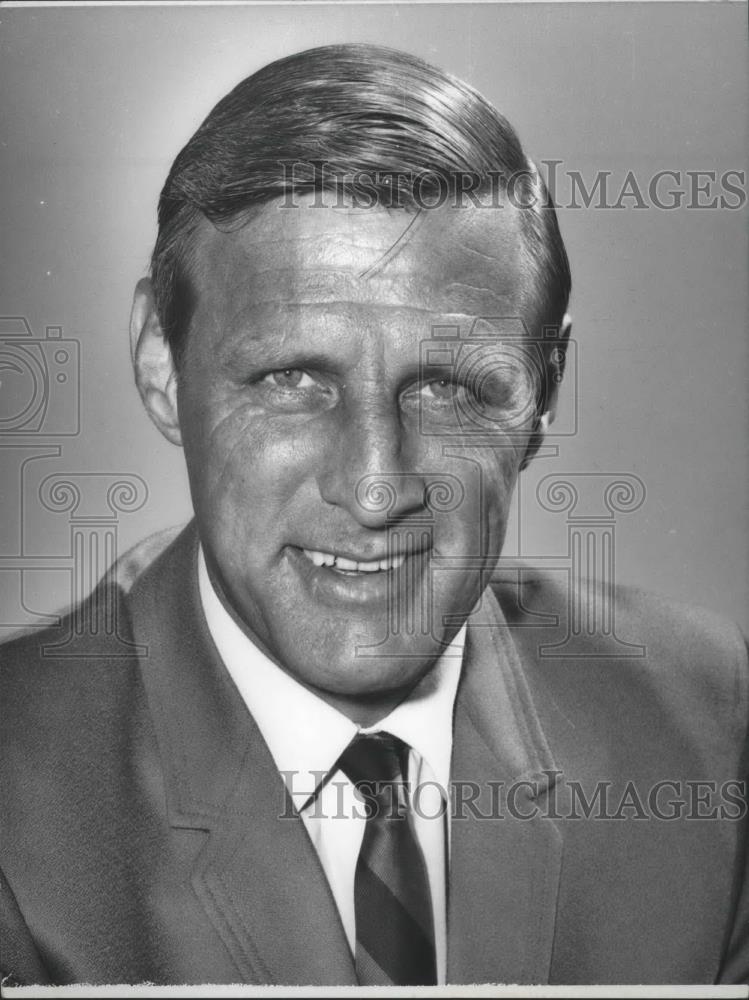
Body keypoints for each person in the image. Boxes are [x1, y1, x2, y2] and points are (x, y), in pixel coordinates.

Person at [0, 43, 746, 988]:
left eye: (444, 388)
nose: (375, 487)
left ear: (544, 389)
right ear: (159, 361)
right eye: (292, 378)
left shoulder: (710, 725)